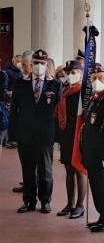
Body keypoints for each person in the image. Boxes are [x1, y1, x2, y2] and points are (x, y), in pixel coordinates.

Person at [9, 48, 62, 213]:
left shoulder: (55, 84)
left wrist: (57, 136)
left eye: (42, 63)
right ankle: (29, 201)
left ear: (47, 65)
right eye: (36, 63)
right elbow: (14, 110)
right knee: (28, 169)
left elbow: (59, 112)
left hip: (45, 135)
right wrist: (13, 134)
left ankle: (45, 201)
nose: (39, 65)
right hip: (25, 134)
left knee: (45, 170)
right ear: (31, 64)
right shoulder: (21, 83)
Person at [81, 64, 104, 232]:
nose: (97, 81)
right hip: (92, 153)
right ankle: (102, 216)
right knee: (96, 186)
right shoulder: (95, 98)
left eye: (100, 77)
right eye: (93, 78)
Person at [55, 60, 87, 219]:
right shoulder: (65, 90)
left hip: (78, 136)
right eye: (68, 73)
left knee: (80, 170)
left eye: (74, 73)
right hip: (66, 135)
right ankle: (70, 203)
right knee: (69, 170)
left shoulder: (84, 92)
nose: (70, 76)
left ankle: (80, 206)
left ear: (81, 74)